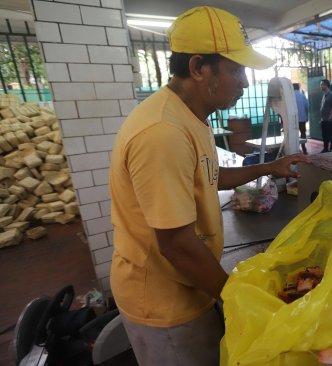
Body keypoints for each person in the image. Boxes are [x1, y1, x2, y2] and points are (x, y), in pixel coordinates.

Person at [108, 6, 307, 366]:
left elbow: (211, 177)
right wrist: (235, 298)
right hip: (165, 300)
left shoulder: (193, 118)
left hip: (191, 286)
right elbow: (176, 244)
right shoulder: (163, 133)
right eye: (235, 70)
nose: (244, 82)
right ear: (199, 68)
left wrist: (272, 166)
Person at [320, 79, 332, 152]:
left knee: (331, 135)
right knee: (325, 135)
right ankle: (325, 148)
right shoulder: (324, 95)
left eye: (321, 85)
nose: (320, 86)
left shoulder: (331, 94)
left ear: (325, 85)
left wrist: (330, 116)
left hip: (329, 119)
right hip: (324, 119)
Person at [293, 82, 309, 154]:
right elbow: (307, 106)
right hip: (302, 118)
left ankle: (296, 149)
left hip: (293, 119)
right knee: (303, 133)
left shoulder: (291, 96)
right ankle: (304, 148)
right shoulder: (302, 95)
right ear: (298, 88)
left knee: (294, 134)